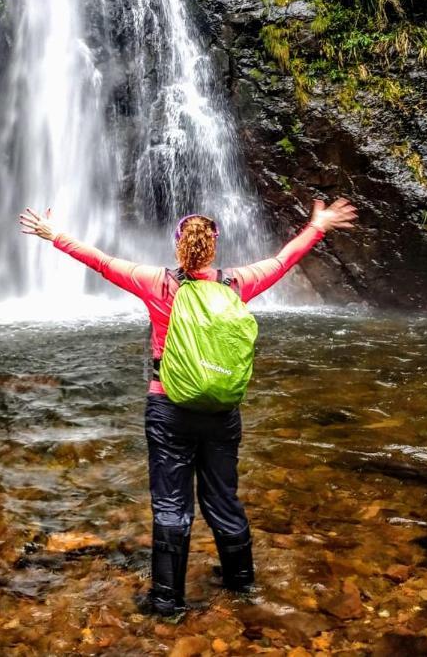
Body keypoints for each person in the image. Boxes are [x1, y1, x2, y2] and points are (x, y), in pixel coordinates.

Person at [18, 197, 358, 616]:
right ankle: (242, 587)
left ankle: (166, 602)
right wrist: (318, 226)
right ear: (213, 246)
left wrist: (55, 236)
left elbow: (102, 262)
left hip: (168, 408)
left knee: (171, 505)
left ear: (177, 244)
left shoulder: (157, 283)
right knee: (223, 499)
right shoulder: (237, 284)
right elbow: (283, 260)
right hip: (220, 413)